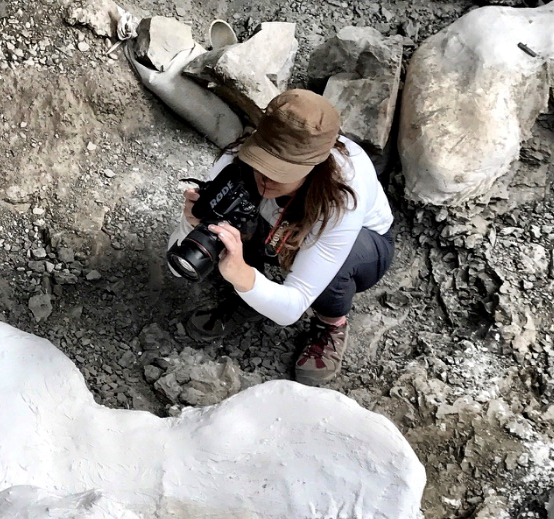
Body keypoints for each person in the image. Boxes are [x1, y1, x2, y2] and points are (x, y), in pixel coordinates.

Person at [167, 89, 394, 385]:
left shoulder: (343, 196)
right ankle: (252, 296)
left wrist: (243, 277)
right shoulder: (235, 161)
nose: (267, 177)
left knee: (334, 270)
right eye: (261, 159)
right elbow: (177, 264)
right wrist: (193, 224)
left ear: (315, 166)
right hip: (279, 223)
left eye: (283, 170)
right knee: (234, 222)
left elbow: (292, 307)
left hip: (366, 244)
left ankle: (331, 324)